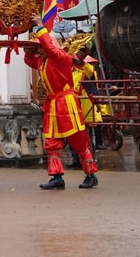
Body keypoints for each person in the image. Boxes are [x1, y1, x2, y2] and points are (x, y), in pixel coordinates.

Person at [24, 15, 99, 190]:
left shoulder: (61, 57)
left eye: (39, 47)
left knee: (78, 140)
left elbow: (50, 49)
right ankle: (56, 176)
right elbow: (29, 60)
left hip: (66, 102)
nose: (38, 51)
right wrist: (28, 50)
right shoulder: (43, 61)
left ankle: (91, 174)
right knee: (51, 141)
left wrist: (40, 26)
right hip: (52, 104)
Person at [72, 44, 105, 150]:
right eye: (79, 52)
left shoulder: (88, 69)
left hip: (86, 99)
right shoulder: (67, 68)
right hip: (71, 100)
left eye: (83, 53)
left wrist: (96, 97)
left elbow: (92, 85)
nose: (81, 55)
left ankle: (95, 144)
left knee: (92, 123)